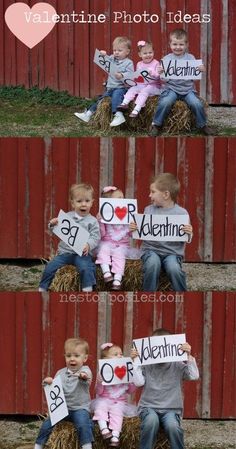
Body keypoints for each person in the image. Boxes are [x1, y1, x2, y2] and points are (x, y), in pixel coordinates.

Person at [131, 328, 199, 449]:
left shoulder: (177, 364)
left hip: (171, 409)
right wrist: (135, 361)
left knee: (173, 426)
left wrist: (188, 356)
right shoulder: (147, 364)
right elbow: (138, 383)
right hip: (149, 407)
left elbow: (194, 376)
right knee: (151, 422)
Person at [130, 173, 193, 291]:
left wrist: (189, 232)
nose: (150, 195)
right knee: (153, 264)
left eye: (153, 192)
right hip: (151, 250)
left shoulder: (181, 214)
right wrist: (135, 228)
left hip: (172, 253)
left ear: (166, 195)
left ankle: (183, 296)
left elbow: (186, 237)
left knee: (173, 268)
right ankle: (148, 296)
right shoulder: (148, 210)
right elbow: (142, 231)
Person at [150, 28, 213, 136]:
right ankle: (156, 124)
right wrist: (160, 72)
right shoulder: (167, 59)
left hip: (188, 89)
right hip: (171, 88)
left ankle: (203, 125)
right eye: (175, 44)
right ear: (170, 44)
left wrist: (200, 70)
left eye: (181, 44)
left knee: (196, 103)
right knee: (165, 102)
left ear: (186, 44)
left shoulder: (191, 58)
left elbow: (195, 77)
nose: (178, 47)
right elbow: (164, 80)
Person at [39, 183, 100, 292]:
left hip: (82, 254)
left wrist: (89, 244)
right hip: (65, 253)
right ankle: (43, 287)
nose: (83, 204)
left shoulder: (93, 221)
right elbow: (56, 229)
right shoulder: (67, 217)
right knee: (50, 267)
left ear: (92, 203)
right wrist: (52, 224)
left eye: (87, 201)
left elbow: (96, 237)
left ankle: (87, 288)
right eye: (79, 201)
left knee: (86, 268)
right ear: (72, 203)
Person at [34, 338, 94, 449]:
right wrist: (48, 382)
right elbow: (54, 389)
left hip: (79, 408)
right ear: (65, 357)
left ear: (84, 358)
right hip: (62, 409)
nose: (72, 359)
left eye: (76, 356)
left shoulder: (86, 371)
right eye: (68, 356)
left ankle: (87, 446)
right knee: (47, 424)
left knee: (83, 424)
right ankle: (38, 445)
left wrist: (83, 377)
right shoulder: (60, 373)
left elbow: (86, 380)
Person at [74, 36, 134, 127]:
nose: (116, 53)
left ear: (127, 52)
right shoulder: (112, 58)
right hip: (110, 87)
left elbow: (130, 75)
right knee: (101, 99)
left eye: (119, 50)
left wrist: (122, 75)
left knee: (116, 97)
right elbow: (105, 60)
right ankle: (88, 114)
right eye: (114, 50)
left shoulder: (128, 63)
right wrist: (103, 54)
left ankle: (118, 115)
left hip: (121, 88)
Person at [92, 342, 136, 447]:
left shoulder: (125, 371)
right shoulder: (102, 373)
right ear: (105, 360)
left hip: (119, 402)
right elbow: (98, 392)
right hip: (104, 399)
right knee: (100, 407)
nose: (120, 356)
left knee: (117, 413)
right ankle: (104, 429)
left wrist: (130, 380)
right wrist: (99, 382)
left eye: (121, 354)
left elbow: (131, 391)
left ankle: (115, 435)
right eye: (115, 354)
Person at [96, 186, 131, 290]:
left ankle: (117, 279)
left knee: (119, 256)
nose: (122, 200)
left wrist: (133, 227)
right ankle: (106, 272)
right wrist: (100, 221)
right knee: (103, 250)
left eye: (123, 198)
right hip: (107, 242)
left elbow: (130, 234)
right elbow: (101, 234)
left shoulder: (127, 215)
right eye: (119, 198)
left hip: (122, 245)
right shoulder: (104, 216)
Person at [117, 40, 162, 118]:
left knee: (145, 91)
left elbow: (158, 76)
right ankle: (124, 103)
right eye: (145, 53)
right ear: (140, 54)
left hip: (154, 86)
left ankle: (137, 109)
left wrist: (152, 73)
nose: (148, 55)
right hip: (142, 84)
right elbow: (138, 77)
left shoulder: (156, 63)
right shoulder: (139, 64)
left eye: (150, 52)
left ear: (153, 52)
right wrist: (131, 80)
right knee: (133, 88)